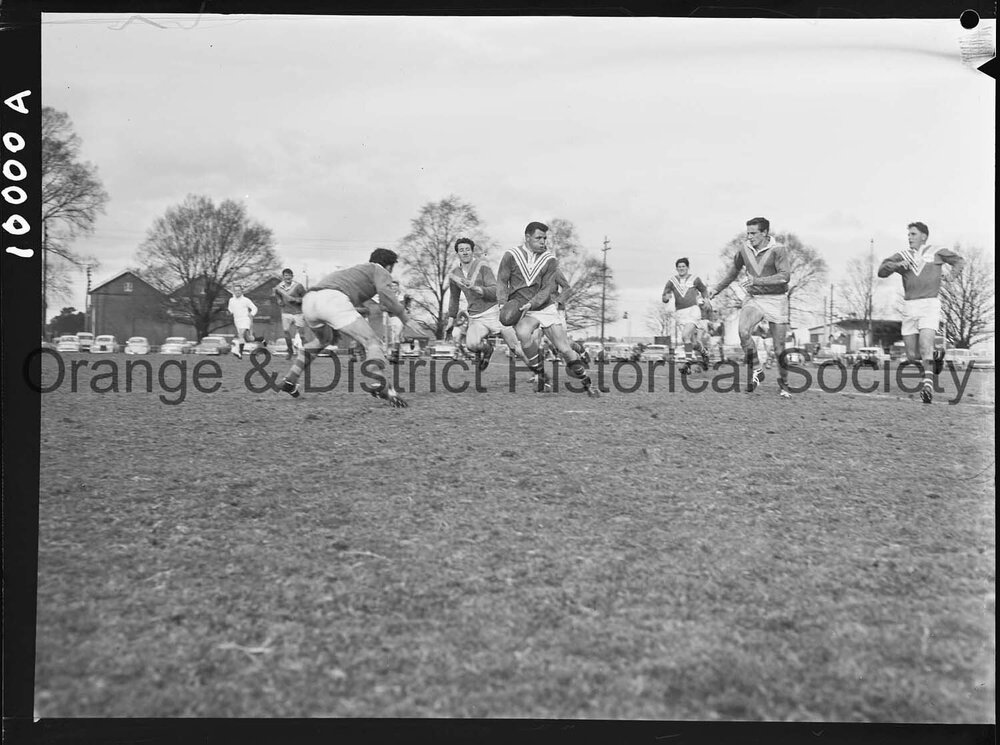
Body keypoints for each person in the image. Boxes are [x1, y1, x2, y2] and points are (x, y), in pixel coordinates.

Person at [279, 248, 422, 407]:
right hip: (333, 300)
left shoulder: (355, 271)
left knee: (323, 341)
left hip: (310, 301)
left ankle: (291, 379)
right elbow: (385, 294)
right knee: (372, 341)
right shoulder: (380, 270)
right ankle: (378, 382)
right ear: (389, 266)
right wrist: (405, 317)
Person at [496, 222, 597, 396]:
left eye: (545, 238)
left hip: (544, 306)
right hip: (522, 307)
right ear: (527, 237)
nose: (543, 241)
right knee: (523, 332)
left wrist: (534, 303)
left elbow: (547, 289)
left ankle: (585, 380)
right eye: (539, 238)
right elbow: (501, 281)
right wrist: (502, 303)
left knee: (564, 348)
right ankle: (541, 374)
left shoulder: (550, 260)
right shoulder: (511, 256)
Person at [877, 221, 964, 404]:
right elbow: (881, 271)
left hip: (929, 305)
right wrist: (898, 264)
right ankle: (936, 357)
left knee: (925, 346)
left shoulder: (936, 251)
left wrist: (951, 275)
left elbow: (959, 261)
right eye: (908, 234)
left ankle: (927, 386)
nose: (909, 237)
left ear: (924, 236)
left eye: (913, 234)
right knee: (912, 355)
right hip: (909, 307)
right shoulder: (902, 255)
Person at [708, 217, 792, 398]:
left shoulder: (779, 250)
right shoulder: (744, 249)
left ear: (765, 233)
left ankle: (784, 385)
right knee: (743, 332)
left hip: (777, 300)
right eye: (748, 233)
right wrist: (716, 289)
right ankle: (757, 369)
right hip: (754, 298)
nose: (750, 236)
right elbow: (733, 272)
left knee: (779, 349)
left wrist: (757, 280)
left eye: (753, 233)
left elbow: (785, 276)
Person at [444, 237, 529, 371]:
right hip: (476, 317)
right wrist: (451, 320)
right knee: (471, 345)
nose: (465, 252)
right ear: (457, 254)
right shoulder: (454, 274)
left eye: (467, 249)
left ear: (472, 252)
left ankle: (539, 373)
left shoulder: (482, 266)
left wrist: (479, 290)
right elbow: (454, 298)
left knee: (516, 349)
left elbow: (495, 289)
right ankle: (488, 349)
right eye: (461, 250)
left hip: (495, 313)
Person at [661, 258, 711, 375]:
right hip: (680, 313)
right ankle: (704, 352)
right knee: (692, 343)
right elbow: (665, 295)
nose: (681, 269)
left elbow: (703, 290)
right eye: (679, 267)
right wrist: (666, 298)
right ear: (676, 268)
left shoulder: (695, 279)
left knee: (685, 336)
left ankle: (687, 364)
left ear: (687, 267)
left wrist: (706, 300)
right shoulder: (672, 281)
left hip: (693, 311)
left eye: (683, 266)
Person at [273, 268, 306, 360]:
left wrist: (295, 300)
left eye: (289, 276)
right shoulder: (278, 287)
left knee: (301, 333)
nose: (288, 277)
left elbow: (306, 298)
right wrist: (279, 300)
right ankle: (290, 350)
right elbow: (277, 294)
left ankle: (304, 352)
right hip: (286, 312)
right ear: (283, 277)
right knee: (286, 331)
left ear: (292, 276)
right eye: (286, 276)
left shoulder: (298, 286)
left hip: (297, 312)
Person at [227, 287, 267, 360]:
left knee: (241, 335)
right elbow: (230, 309)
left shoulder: (246, 300)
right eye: (236, 290)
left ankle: (240, 353)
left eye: (239, 290)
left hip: (245, 319)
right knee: (249, 339)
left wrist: (251, 314)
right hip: (237, 320)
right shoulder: (231, 300)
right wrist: (229, 312)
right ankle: (261, 339)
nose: (237, 292)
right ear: (233, 292)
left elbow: (255, 308)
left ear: (242, 291)